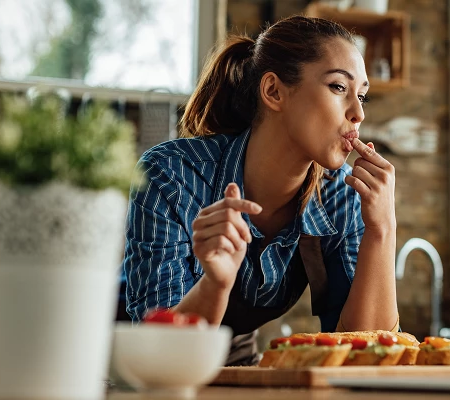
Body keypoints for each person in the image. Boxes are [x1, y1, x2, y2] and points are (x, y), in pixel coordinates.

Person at [121, 15, 398, 366]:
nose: (358, 113)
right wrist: (215, 284)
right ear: (274, 92)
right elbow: (157, 354)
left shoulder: (342, 196)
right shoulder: (172, 175)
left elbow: (367, 356)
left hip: (235, 362)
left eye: (362, 96)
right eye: (339, 87)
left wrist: (382, 230)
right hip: (129, 362)